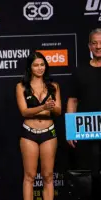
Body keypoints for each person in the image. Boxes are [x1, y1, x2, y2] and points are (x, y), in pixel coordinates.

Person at [16, 51, 61, 200]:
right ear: (30, 67)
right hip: (29, 133)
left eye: (42, 64)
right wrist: (43, 107)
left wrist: (51, 107)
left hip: (49, 132)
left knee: (48, 176)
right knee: (29, 176)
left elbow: (58, 111)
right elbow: (24, 111)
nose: (40, 68)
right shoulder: (21, 86)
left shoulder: (53, 86)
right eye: (36, 65)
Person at [67, 28, 101, 199]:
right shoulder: (79, 71)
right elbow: (72, 101)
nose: (98, 46)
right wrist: (70, 129)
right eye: (94, 43)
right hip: (86, 131)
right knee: (89, 177)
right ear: (89, 46)